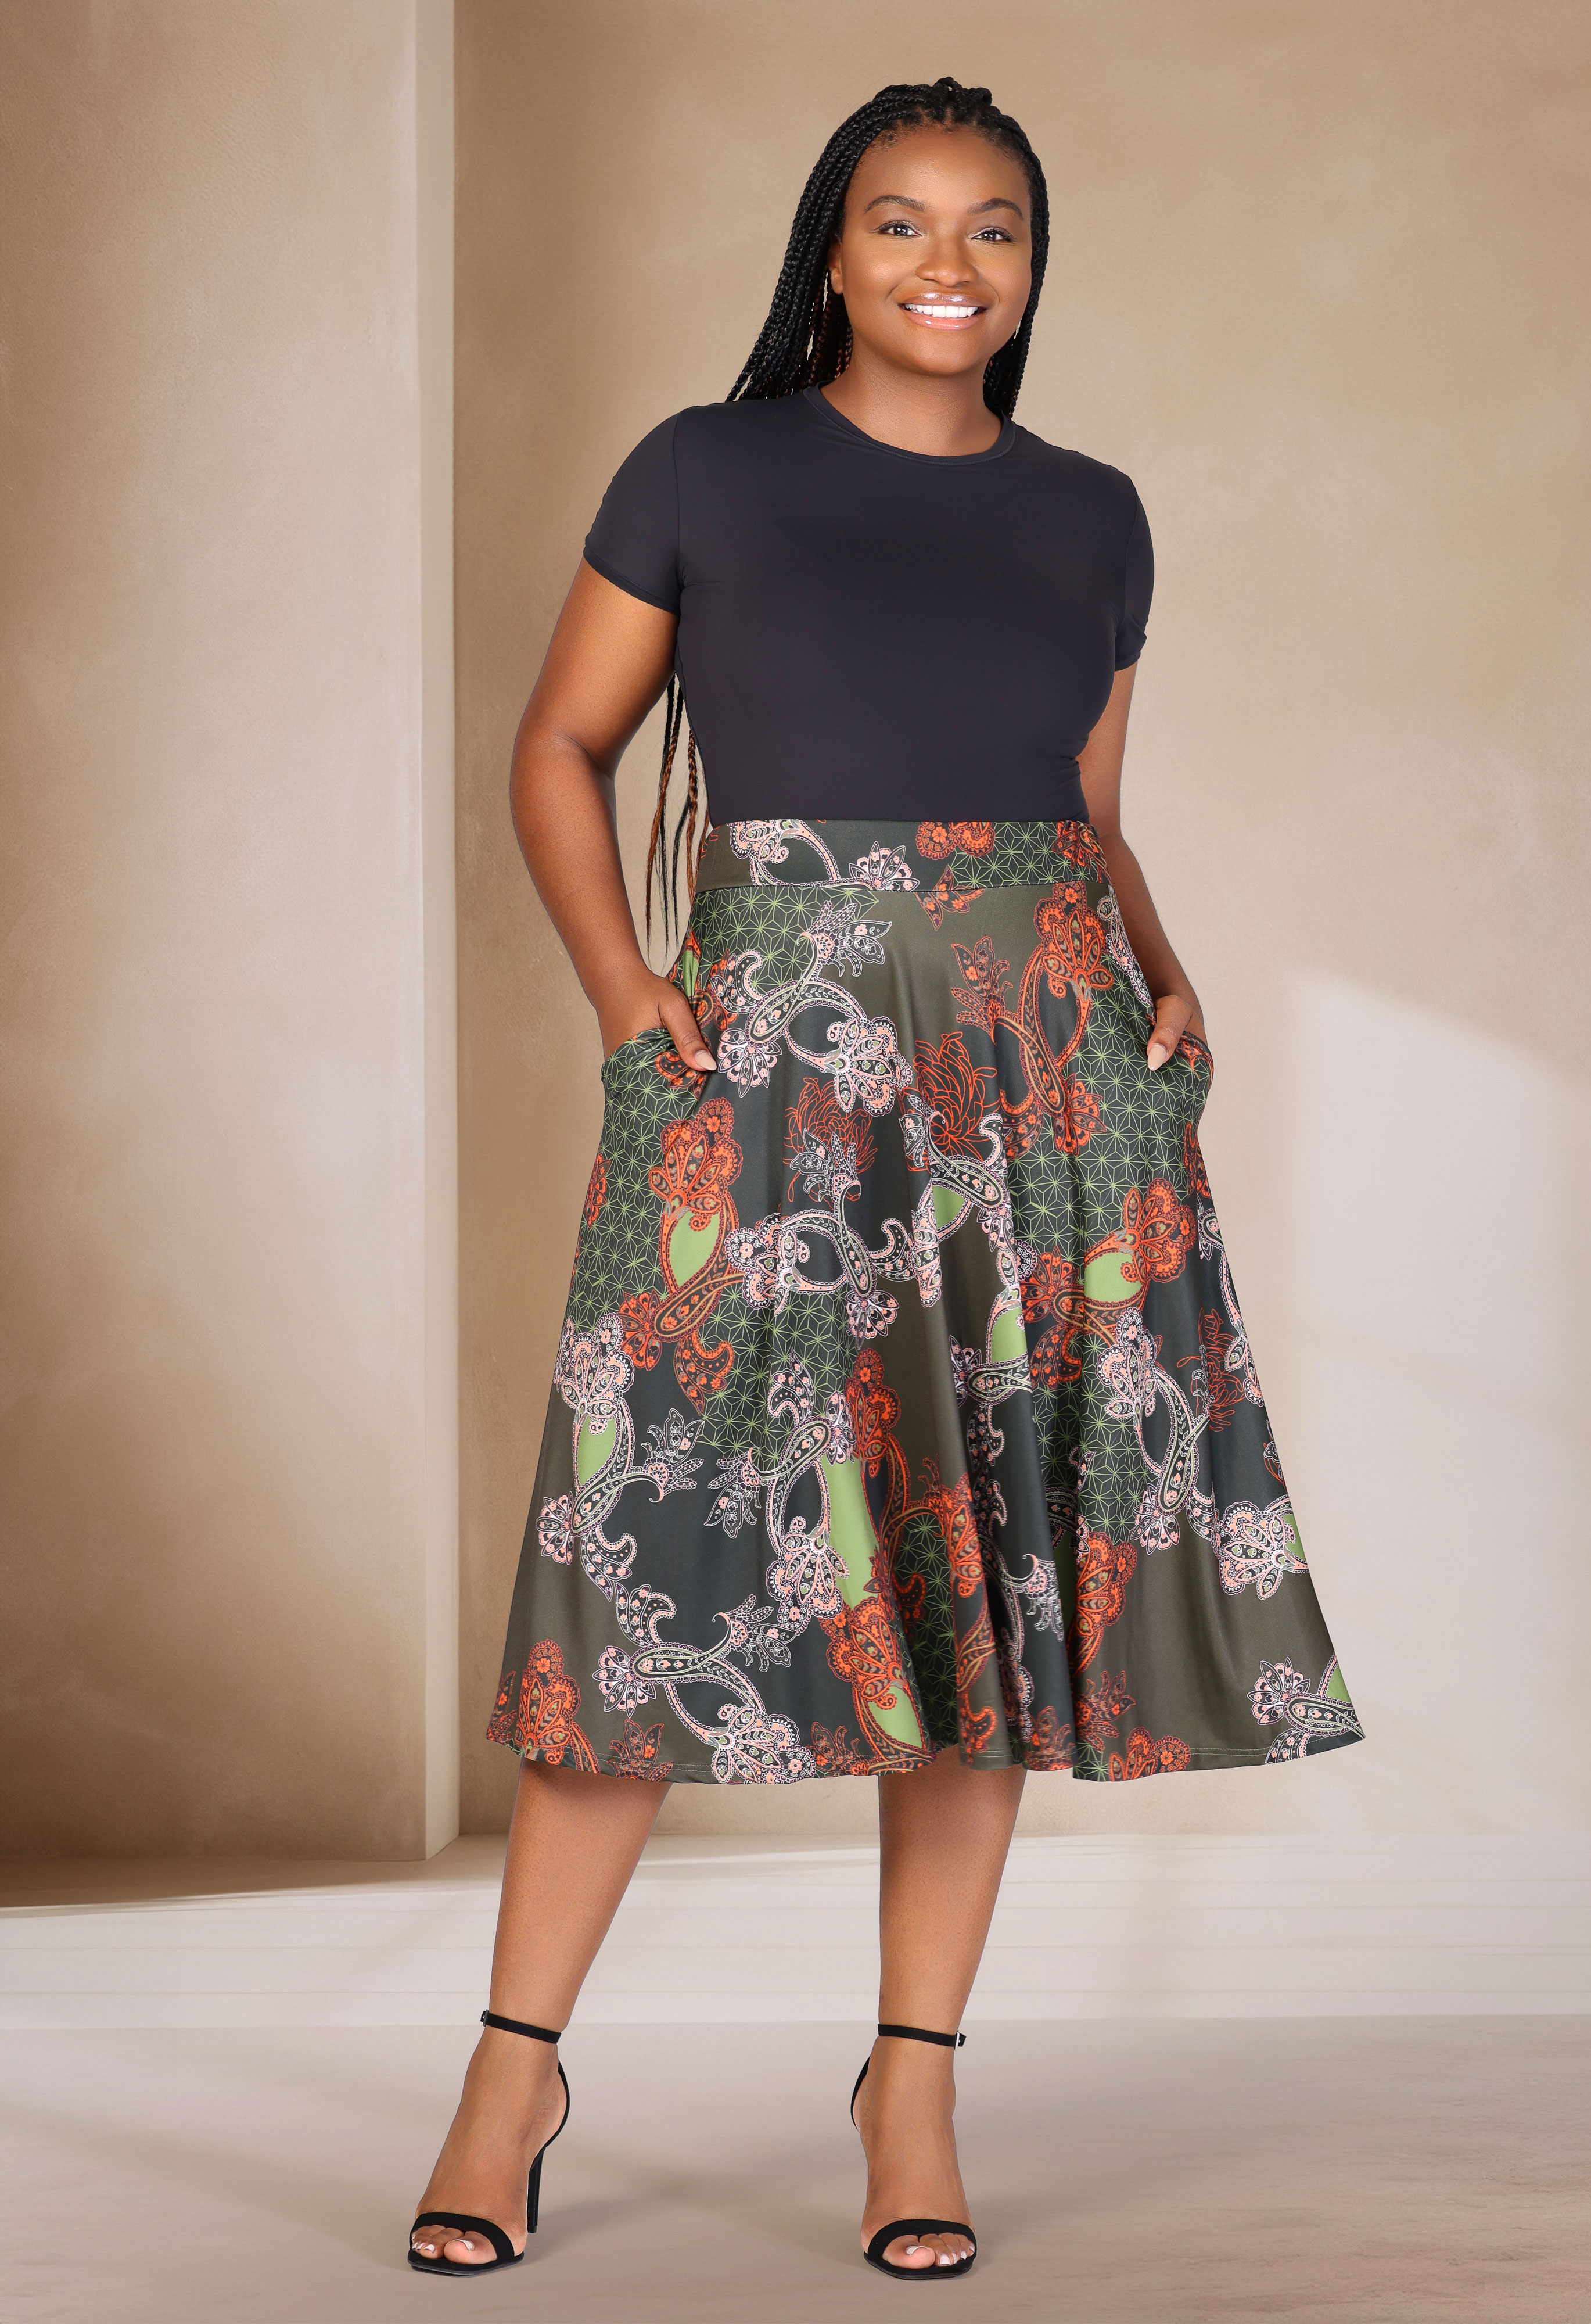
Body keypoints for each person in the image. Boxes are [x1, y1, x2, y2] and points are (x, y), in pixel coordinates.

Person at [408, 75, 1362, 2284]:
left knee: (981, 1584)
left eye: (993, 225)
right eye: (902, 220)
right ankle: (509, 2076)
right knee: (652, 1557)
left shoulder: (1096, 515)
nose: (950, 260)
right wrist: (628, 993)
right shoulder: (704, 469)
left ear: (1034, 265)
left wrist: (1168, 975)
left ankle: (911, 2088)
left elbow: (1082, 816)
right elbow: (560, 744)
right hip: (765, 1072)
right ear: (832, 256)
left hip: (1043, 1077)